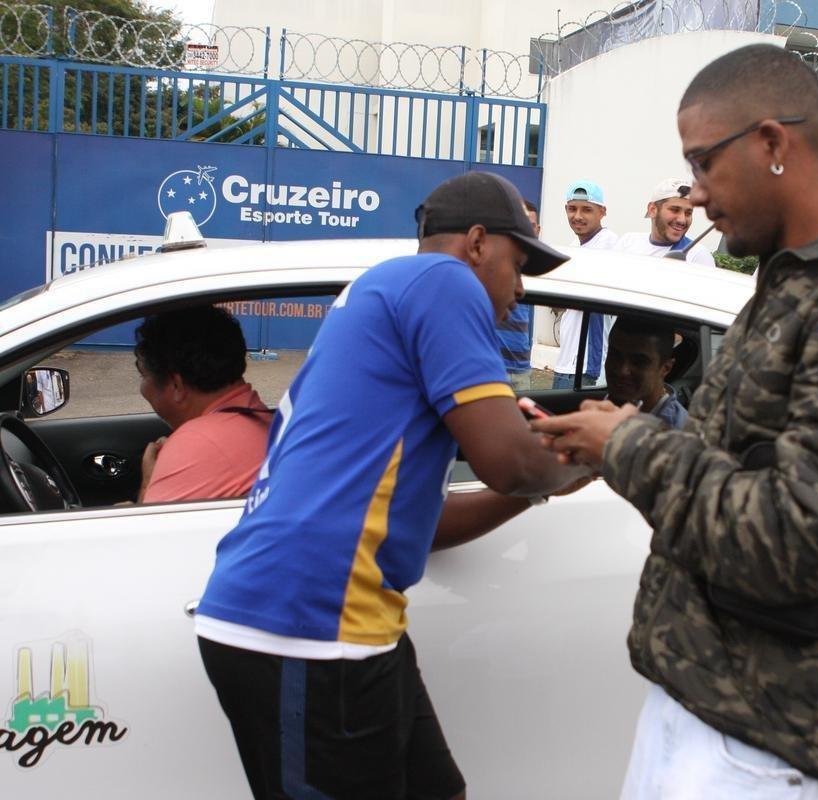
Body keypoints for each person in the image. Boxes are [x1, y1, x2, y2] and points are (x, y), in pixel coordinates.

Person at [531, 44, 818, 795]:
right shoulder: (797, 282)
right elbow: (744, 468)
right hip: (706, 703)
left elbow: (801, 538)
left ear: (774, 142)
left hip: (763, 741)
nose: (698, 195)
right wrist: (606, 441)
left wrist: (628, 444)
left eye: (704, 164)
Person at [194, 172, 590, 800]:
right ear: (478, 243)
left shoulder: (389, 288)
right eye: (518, 266)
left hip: (343, 623)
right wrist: (597, 452)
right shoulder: (443, 281)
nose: (519, 293)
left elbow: (417, 526)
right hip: (308, 626)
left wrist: (542, 486)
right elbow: (510, 462)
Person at [134, 306, 270, 503]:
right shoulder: (258, 413)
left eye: (143, 376)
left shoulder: (196, 444)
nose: (142, 388)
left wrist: (148, 483)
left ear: (176, 385)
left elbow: (145, 531)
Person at [553, 180, 619, 389]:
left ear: (602, 212)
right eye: (572, 209)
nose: (578, 216)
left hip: (588, 365)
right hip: (566, 361)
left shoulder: (608, 245)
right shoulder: (574, 247)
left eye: (587, 210)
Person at [604, 315, 688, 429]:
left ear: (666, 368)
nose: (622, 371)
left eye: (639, 362)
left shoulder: (677, 434)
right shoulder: (612, 403)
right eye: (615, 355)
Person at [616, 178, 716, 267]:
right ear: (652, 210)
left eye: (688, 213)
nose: (682, 220)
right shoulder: (628, 241)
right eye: (675, 210)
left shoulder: (697, 255)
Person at [495, 199, 540, 389]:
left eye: (530, 226)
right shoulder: (494, 265)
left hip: (521, 367)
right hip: (496, 367)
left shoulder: (542, 266)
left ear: (538, 229)